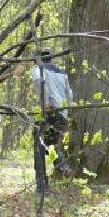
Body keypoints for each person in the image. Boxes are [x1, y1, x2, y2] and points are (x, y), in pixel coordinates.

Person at [31, 48, 74, 178]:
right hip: (61, 114)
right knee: (51, 143)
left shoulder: (38, 69)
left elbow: (39, 82)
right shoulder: (62, 73)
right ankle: (64, 168)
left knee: (39, 145)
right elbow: (70, 96)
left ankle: (41, 184)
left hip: (48, 112)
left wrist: (45, 102)